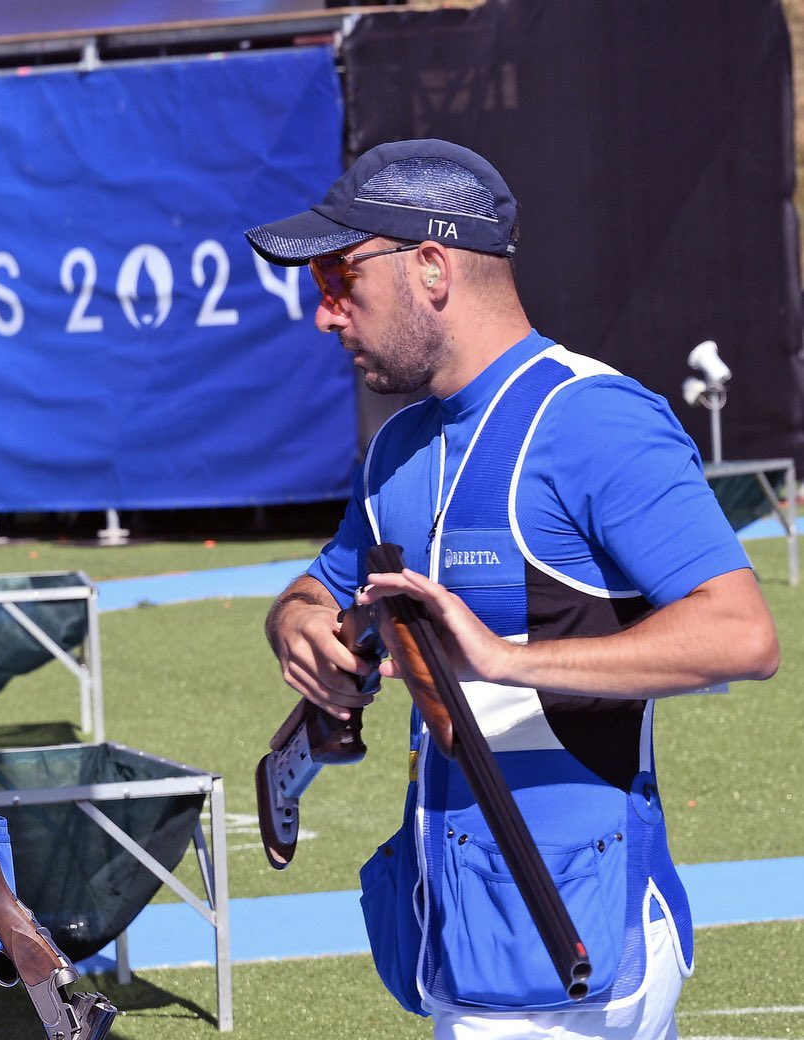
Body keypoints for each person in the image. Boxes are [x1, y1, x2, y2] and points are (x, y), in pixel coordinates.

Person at [245, 140, 779, 1039]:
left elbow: (742, 635)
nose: (324, 316)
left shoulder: (595, 418)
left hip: (579, 945)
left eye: (340, 278)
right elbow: (320, 586)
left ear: (429, 266)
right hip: (459, 931)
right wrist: (298, 624)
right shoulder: (398, 445)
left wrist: (501, 659)